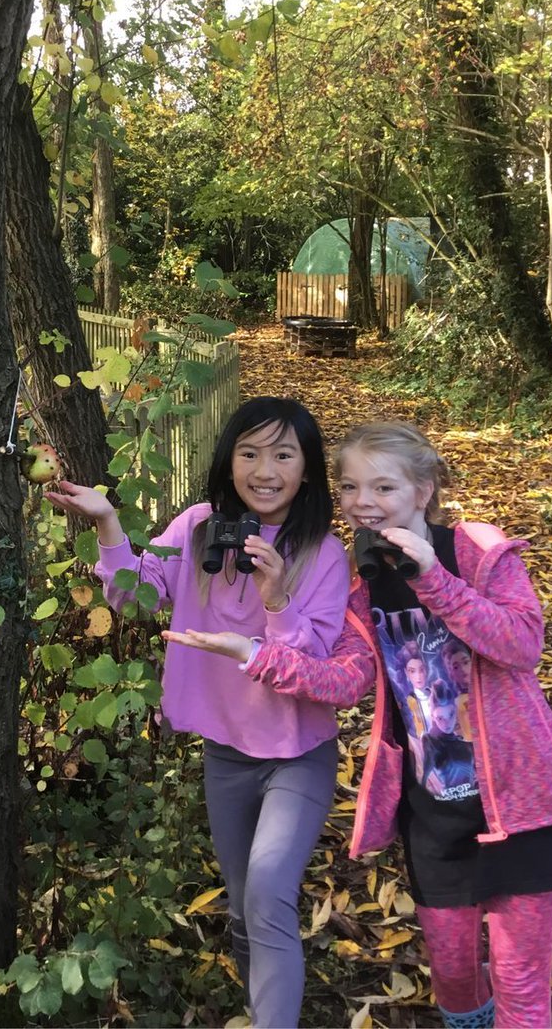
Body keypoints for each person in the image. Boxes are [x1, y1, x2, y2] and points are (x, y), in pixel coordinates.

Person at [169, 420, 552, 1029]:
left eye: (384, 488)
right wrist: (254, 655)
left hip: (520, 802)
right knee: (451, 971)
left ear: (423, 490)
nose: (363, 503)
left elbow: (522, 644)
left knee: (521, 981)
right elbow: (346, 681)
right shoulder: (362, 584)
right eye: (349, 487)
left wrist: (433, 579)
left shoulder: (476, 549)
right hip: (435, 812)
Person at [46, 397, 350, 1029]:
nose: (265, 470)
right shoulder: (198, 527)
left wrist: (276, 599)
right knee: (242, 908)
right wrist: (107, 525)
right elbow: (137, 597)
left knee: (267, 894)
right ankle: (262, 999)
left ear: (308, 469)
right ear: (228, 461)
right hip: (227, 752)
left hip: (297, 753)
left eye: (284, 455)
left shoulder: (322, 554)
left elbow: (314, 668)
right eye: (249, 453)